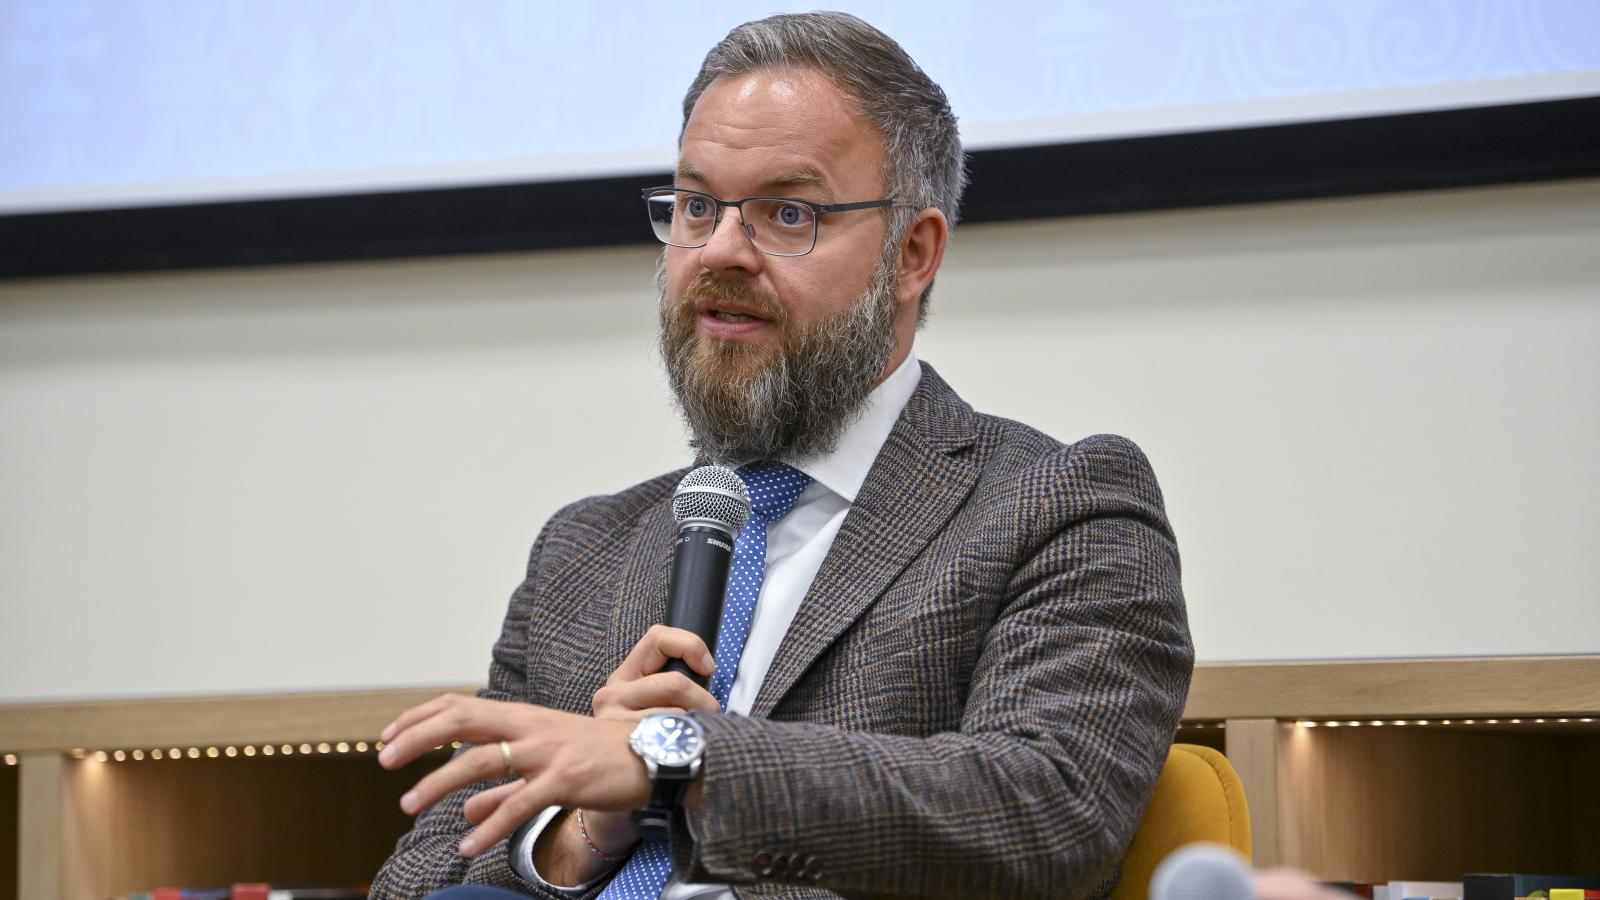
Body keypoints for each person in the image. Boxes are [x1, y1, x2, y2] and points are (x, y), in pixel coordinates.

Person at [370, 12, 1192, 900]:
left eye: (788, 213)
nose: (721, 250)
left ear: (912, 254)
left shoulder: (1057, 505)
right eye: (697, 206)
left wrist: (681, 761)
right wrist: (584, 833)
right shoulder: (582, 552)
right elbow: (416, 880)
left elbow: (1047, 812)